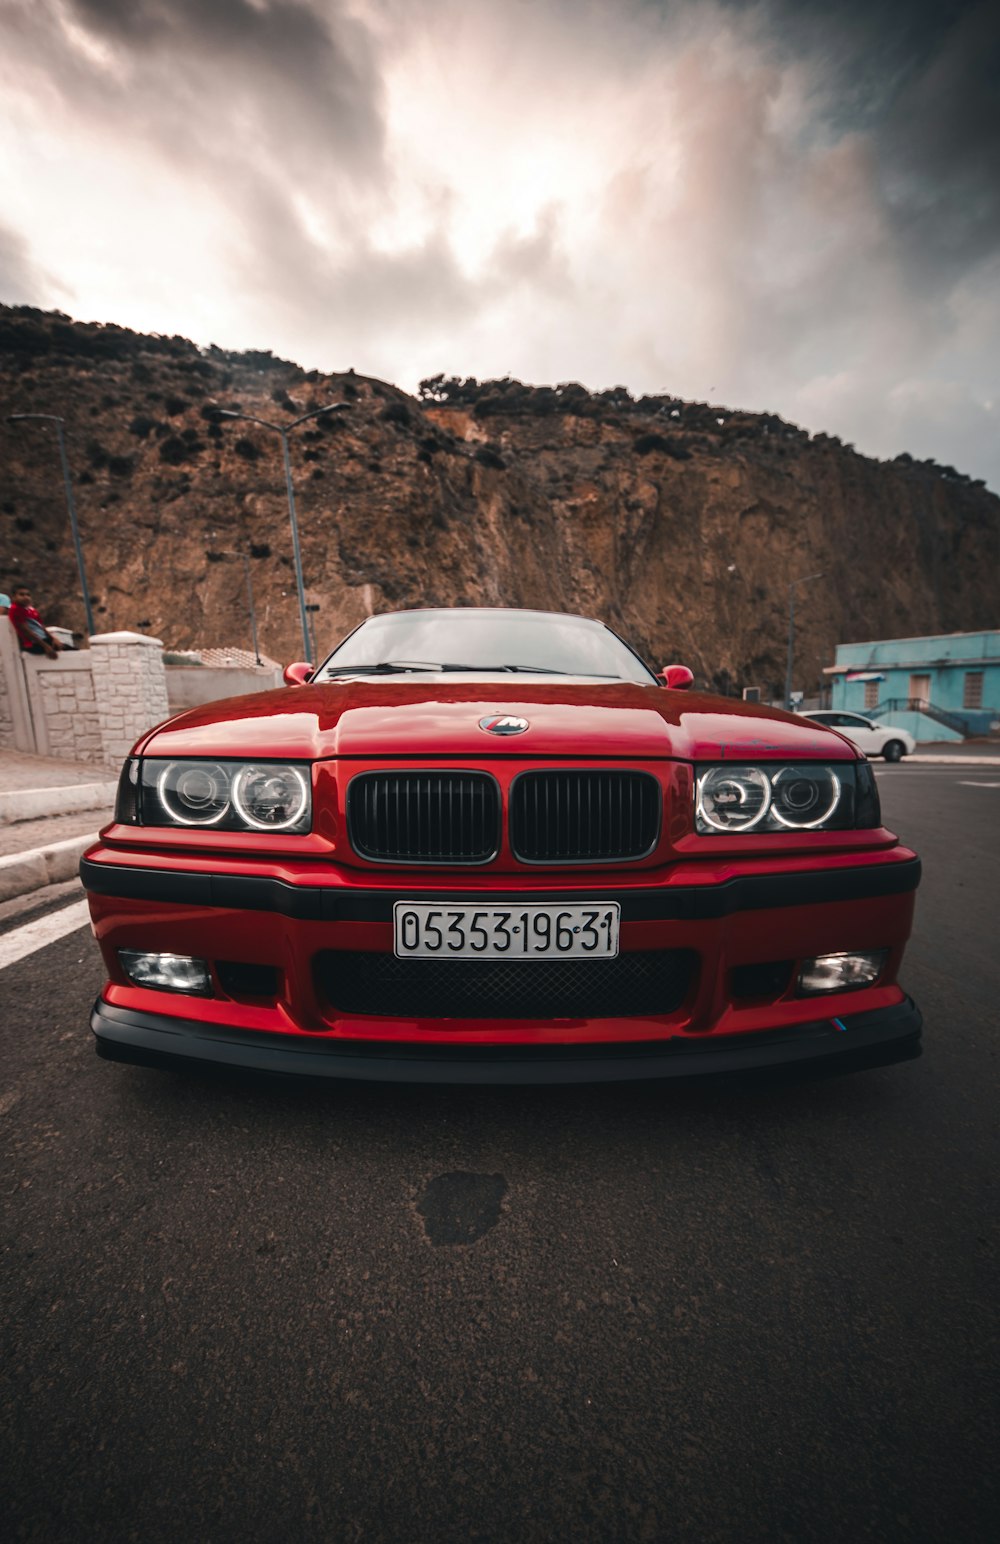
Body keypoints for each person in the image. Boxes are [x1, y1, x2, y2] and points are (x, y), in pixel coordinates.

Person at [8, 584, 62, 659]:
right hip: (33, 644)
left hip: (43, 640)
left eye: (28, 595)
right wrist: (47, 647)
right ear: (14, 597)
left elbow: (41, 625)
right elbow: (26, 631)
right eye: (21, 594)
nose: (25, 597)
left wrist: (53, 638)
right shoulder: (15, 609)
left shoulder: (31, 609)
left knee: (65, 646)